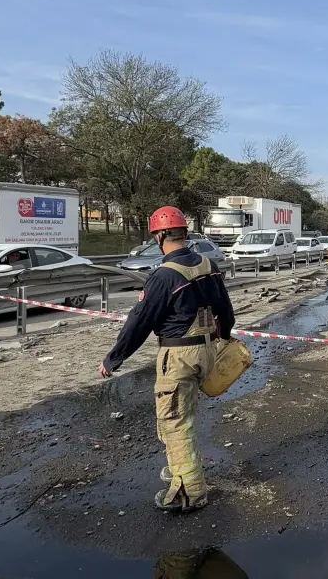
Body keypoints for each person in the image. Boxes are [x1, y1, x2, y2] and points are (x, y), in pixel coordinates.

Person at [98, 206, 236, 513]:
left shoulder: (163, 275)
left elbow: (140, 321)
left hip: (178, 355)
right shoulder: (208, 264)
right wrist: (223, 336)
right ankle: (180, 468)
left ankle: (189, 491)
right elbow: (225, 310)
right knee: (179, 416)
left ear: (160, 236)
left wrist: (113, 359)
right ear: (184, 233)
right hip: (206, 349)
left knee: (174, 421)